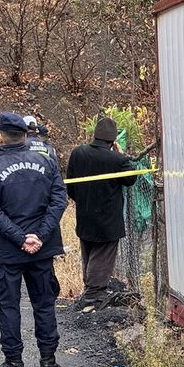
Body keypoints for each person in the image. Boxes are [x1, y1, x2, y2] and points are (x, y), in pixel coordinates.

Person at [0, 112, 67, 367]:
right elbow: (59, 201)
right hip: (42, 248)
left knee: (9, 306)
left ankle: (14, 362)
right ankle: (48, 360)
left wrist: (19, 238)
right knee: (44, 303)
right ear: (27, 135)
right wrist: (39, 236)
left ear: (1, 136)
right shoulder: (47, 161)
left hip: (8, 250)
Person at [66, 117, 137, 308]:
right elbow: (131, 179)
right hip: (108, 219)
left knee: (88, 252)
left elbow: (70, 185)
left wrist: (82, 201)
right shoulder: (117, 160)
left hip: (84, 214)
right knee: (102, 256)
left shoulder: (78, 153)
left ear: (94, 135)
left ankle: (89, 290)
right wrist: (122, 155)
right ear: (113, 141)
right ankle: (93, 294)